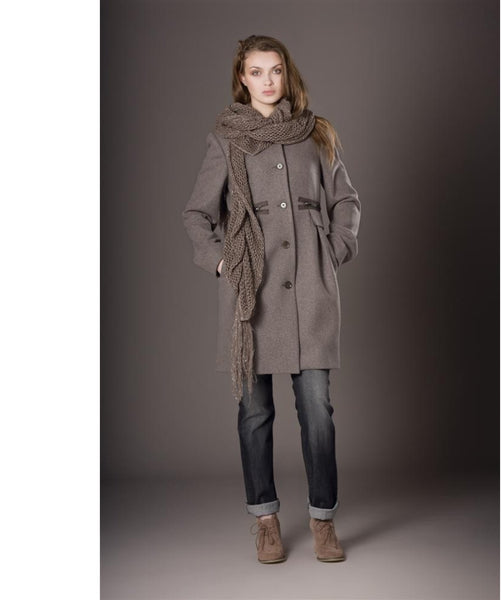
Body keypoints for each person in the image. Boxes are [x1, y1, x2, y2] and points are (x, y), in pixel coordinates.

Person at [182, 34, 361, 564]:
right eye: (256, 71)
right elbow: (197, 214)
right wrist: (221, 261)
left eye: (275, 70)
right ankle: (265, 520)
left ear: (287, 74)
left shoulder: (316, 132)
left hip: (309, 290)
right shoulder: (226, 138)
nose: (267, 80)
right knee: (254, 412)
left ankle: (323, 519)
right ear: (242, 78)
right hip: (251, 296)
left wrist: (334, 248)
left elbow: (346, 201)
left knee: (318, 410)